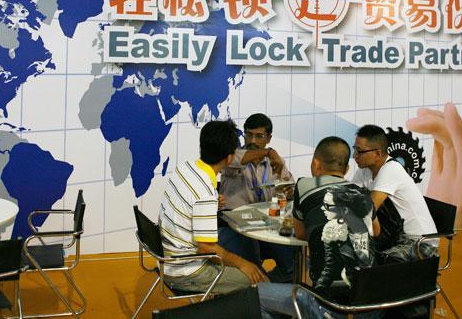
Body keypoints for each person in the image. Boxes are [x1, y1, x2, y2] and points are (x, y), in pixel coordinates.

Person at [257, 136, 380, 319]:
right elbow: (376, 231)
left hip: (328, 307)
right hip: (373, 307)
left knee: (255, 296)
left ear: (315, 164)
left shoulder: (304, 184)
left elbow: (300, 233)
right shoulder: (361, 193)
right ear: (346, 169)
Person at [158, 119, 268, 294]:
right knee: (260, 280)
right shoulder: (205, 193)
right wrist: (243, 264)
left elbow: (190, 204)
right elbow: (206, 248)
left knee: (240, 242)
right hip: (188, 272)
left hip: (169, 258)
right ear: (230, 158)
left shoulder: (184, 168)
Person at [218, 113, 295, 282]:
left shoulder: (275, 162)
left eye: (259, 136)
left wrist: (289, 190)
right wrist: (269, 152)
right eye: (249, 135)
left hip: (265, 226)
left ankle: (268, 288)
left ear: (268, 138)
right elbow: (241, 158)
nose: (252, 141)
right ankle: (260, 289)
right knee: (254, 273)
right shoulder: (232, 157)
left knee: (291, 263)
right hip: (236, 228)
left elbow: (288, 190)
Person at [350, 124, 437, 260]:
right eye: (355, 149)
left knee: (375, 261)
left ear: (378, 154)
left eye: (360, 151)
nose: (355, 155)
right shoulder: (365, 170)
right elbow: (349, 199)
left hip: (420, 243)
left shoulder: (391, 170)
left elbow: (368, 210)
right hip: (394, 238)